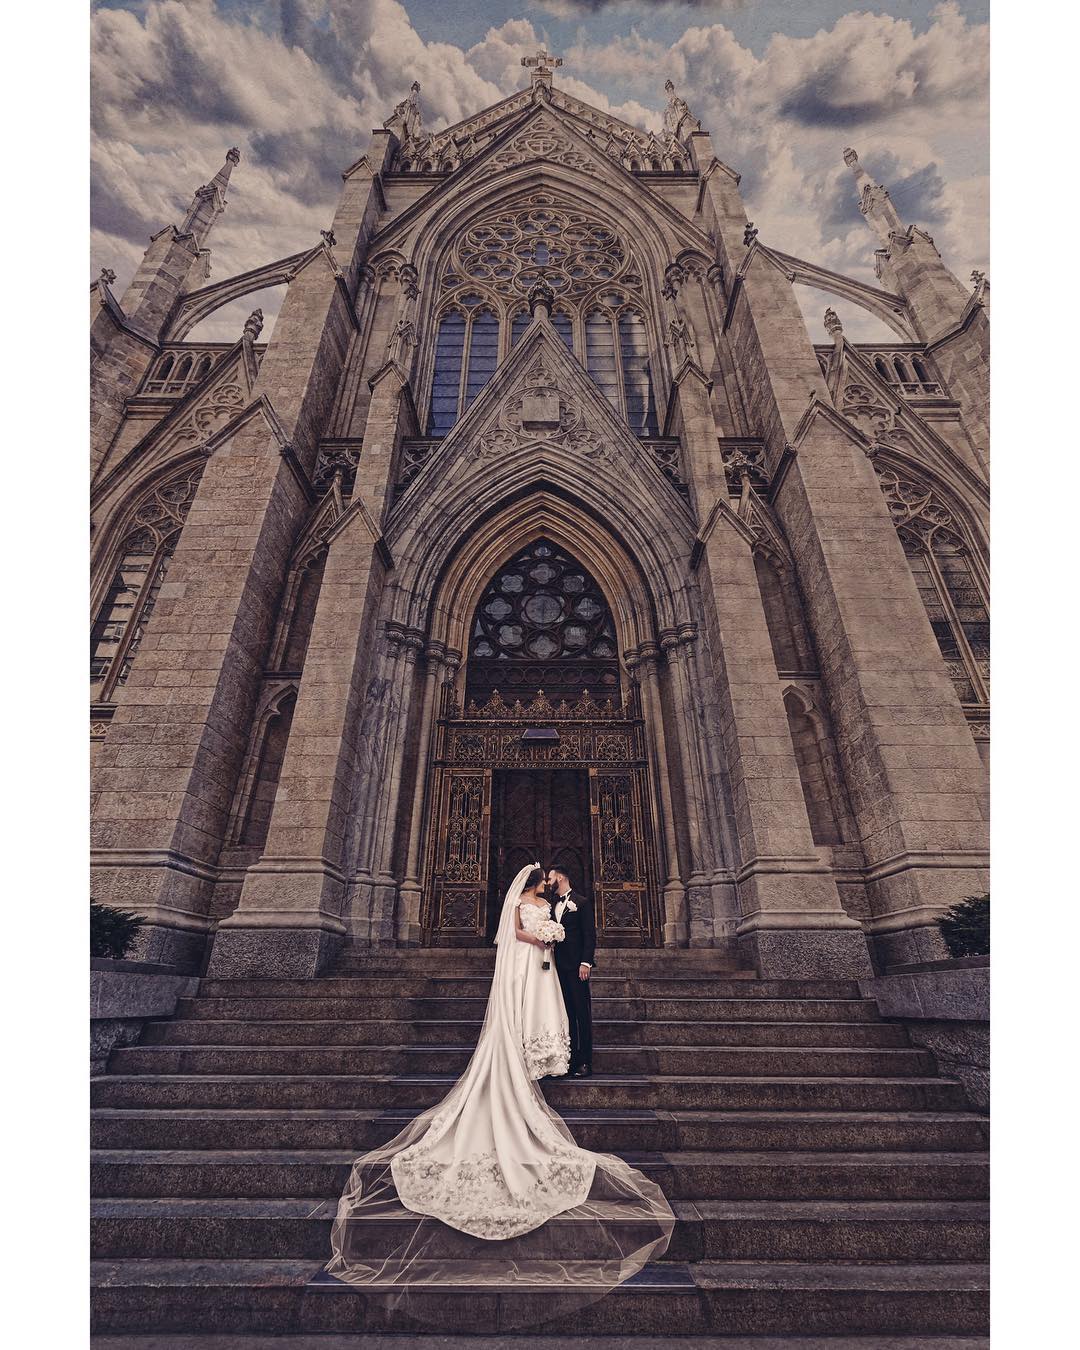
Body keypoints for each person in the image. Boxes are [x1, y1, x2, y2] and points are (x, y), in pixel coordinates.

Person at [326, 862, 672, 1300]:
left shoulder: (553, 903)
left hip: (548, 965)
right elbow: (516, 934)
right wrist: (545, 935)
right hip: (530, 961)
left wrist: (558, 939)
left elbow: (569, 930)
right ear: (534, 883)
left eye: (551, 878)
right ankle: (531, 1050)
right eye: (543, 879)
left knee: (551, 1011)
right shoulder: (527, 905)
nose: (548, 883)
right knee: (528, 1007)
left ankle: (553, 1054)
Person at [547, 866, 596, 1077]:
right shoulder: (551, 906)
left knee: (581, 1014)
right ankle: (570, 1058)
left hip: (577, 967)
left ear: (560, 877)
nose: (548, 883)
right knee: (566, 1014)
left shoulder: (582, 902)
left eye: (550, 879)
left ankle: (584, 1060)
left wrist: (586, 962)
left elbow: (589, 935)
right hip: (557, 967)